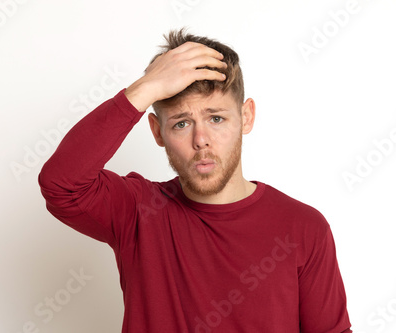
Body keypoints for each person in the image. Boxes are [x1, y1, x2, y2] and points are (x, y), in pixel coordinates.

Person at [39, 28, 352, 333]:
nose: (201, 140)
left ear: (246, 117)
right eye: (181, 123)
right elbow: (61, 184)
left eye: (216, 118)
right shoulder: (137, 212)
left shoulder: (304, 228)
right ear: (157, 131)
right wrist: (145, 88)